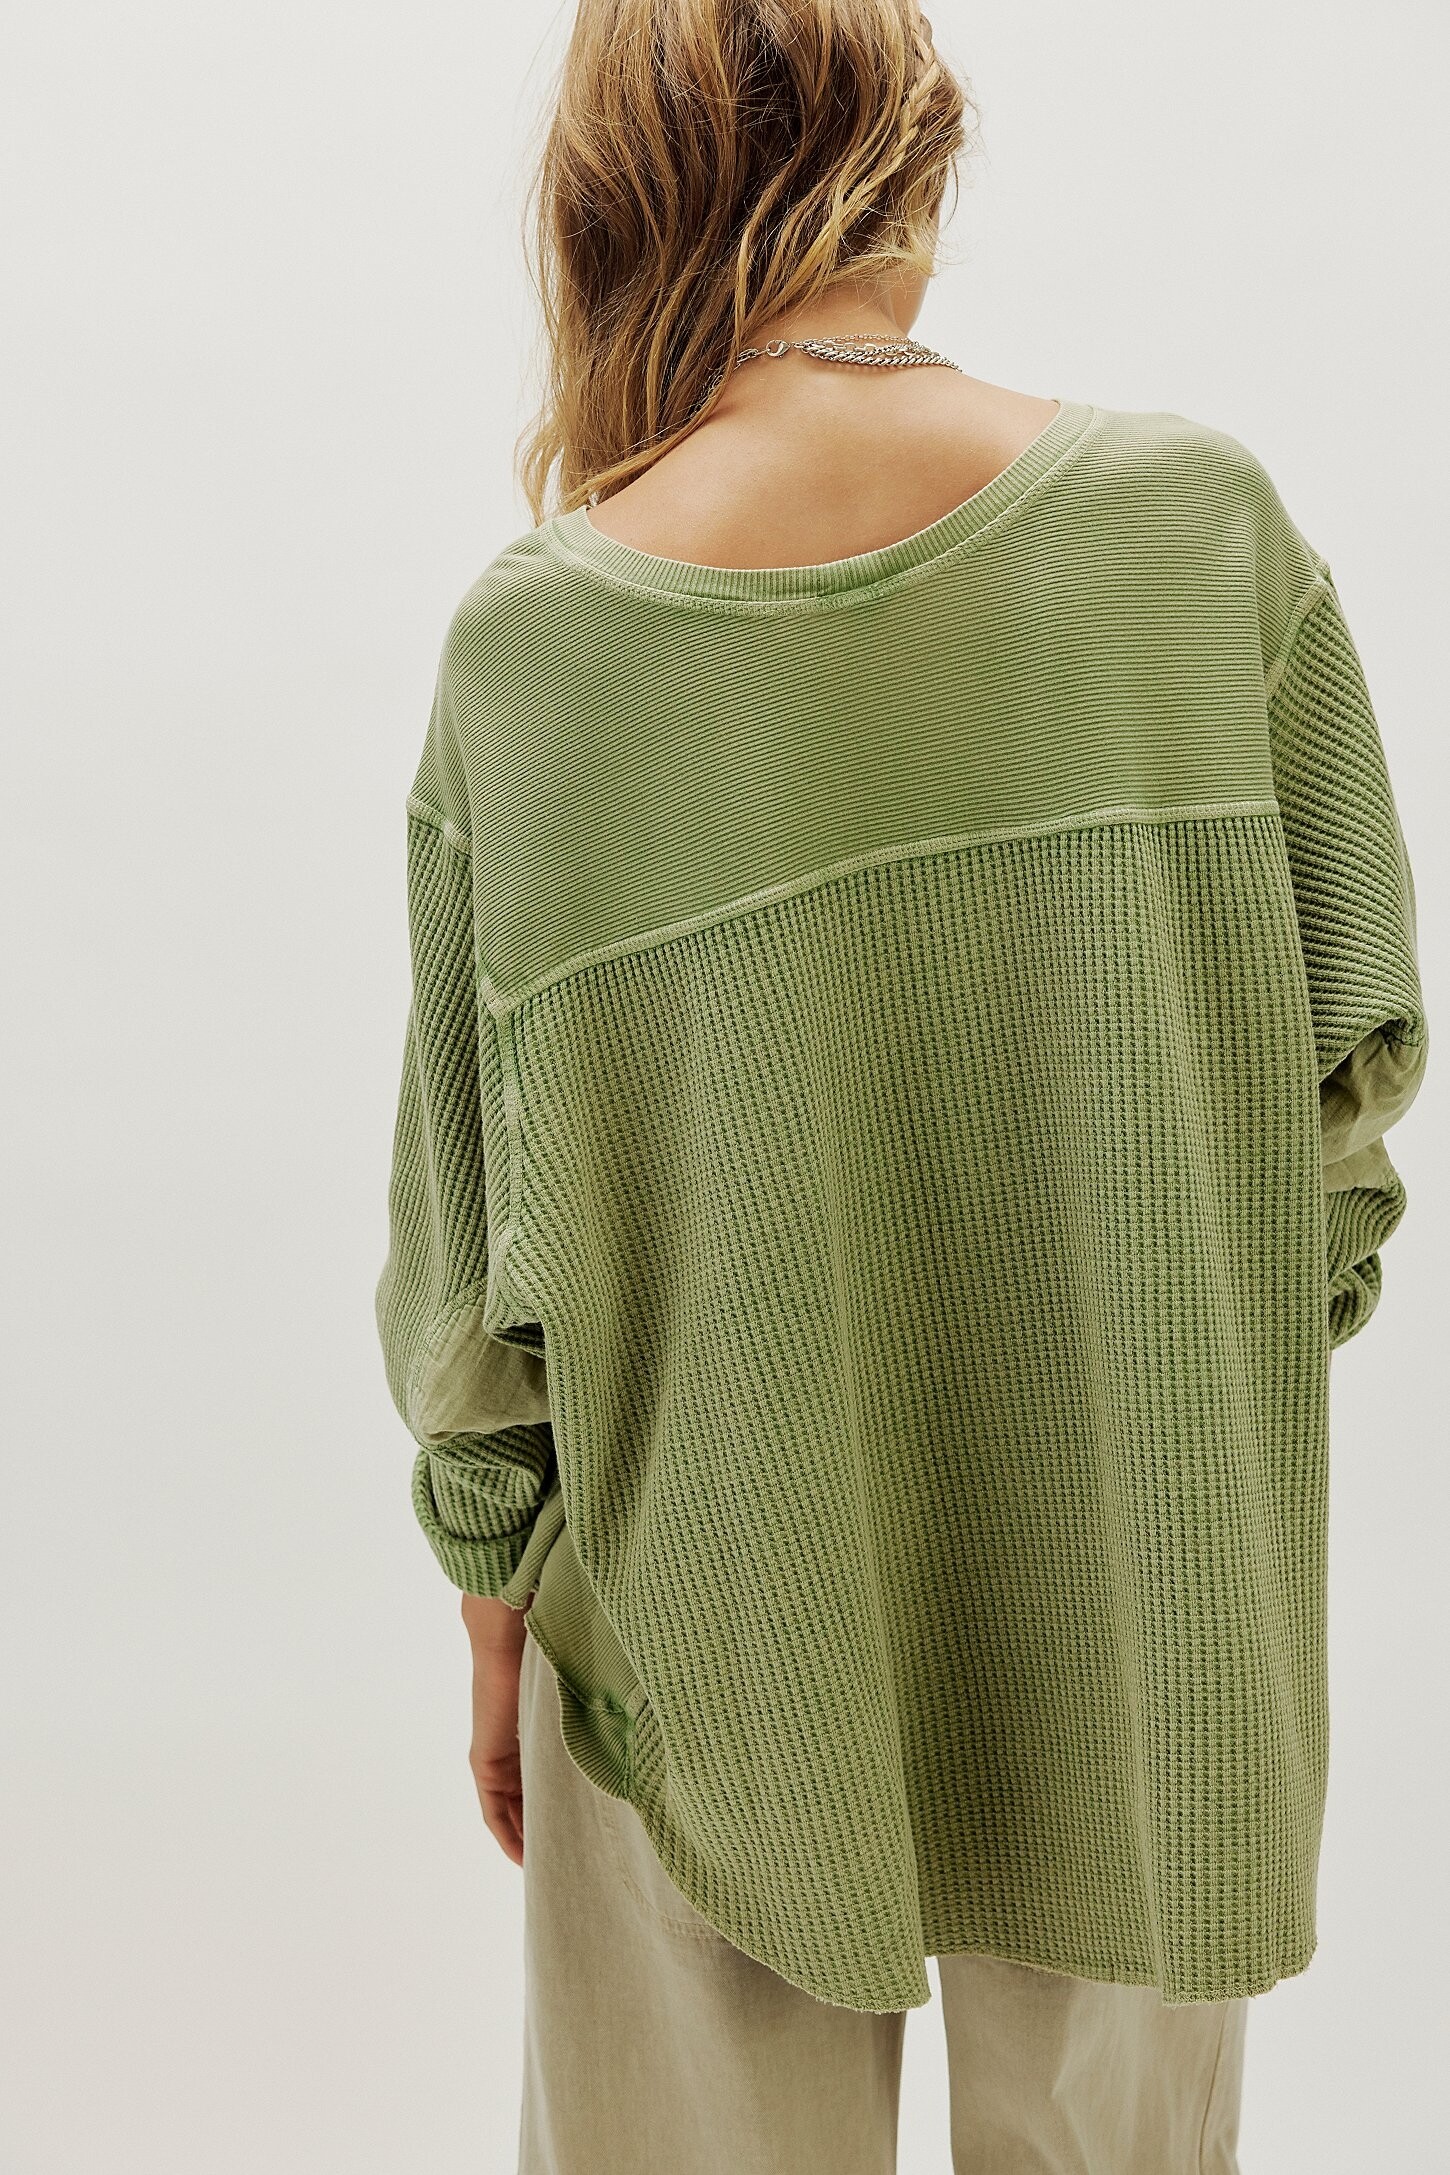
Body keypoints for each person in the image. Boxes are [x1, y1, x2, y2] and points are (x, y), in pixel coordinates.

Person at [373, 4, 1428, 2169]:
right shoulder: (1195, 535)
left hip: (702, 1614)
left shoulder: (537, 652)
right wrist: (1146, 1407)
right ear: (916, 152)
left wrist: (496, 1605)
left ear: (610, 199)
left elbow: (479, 1312)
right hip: (1142, 1600)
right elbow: (1341, 1112)